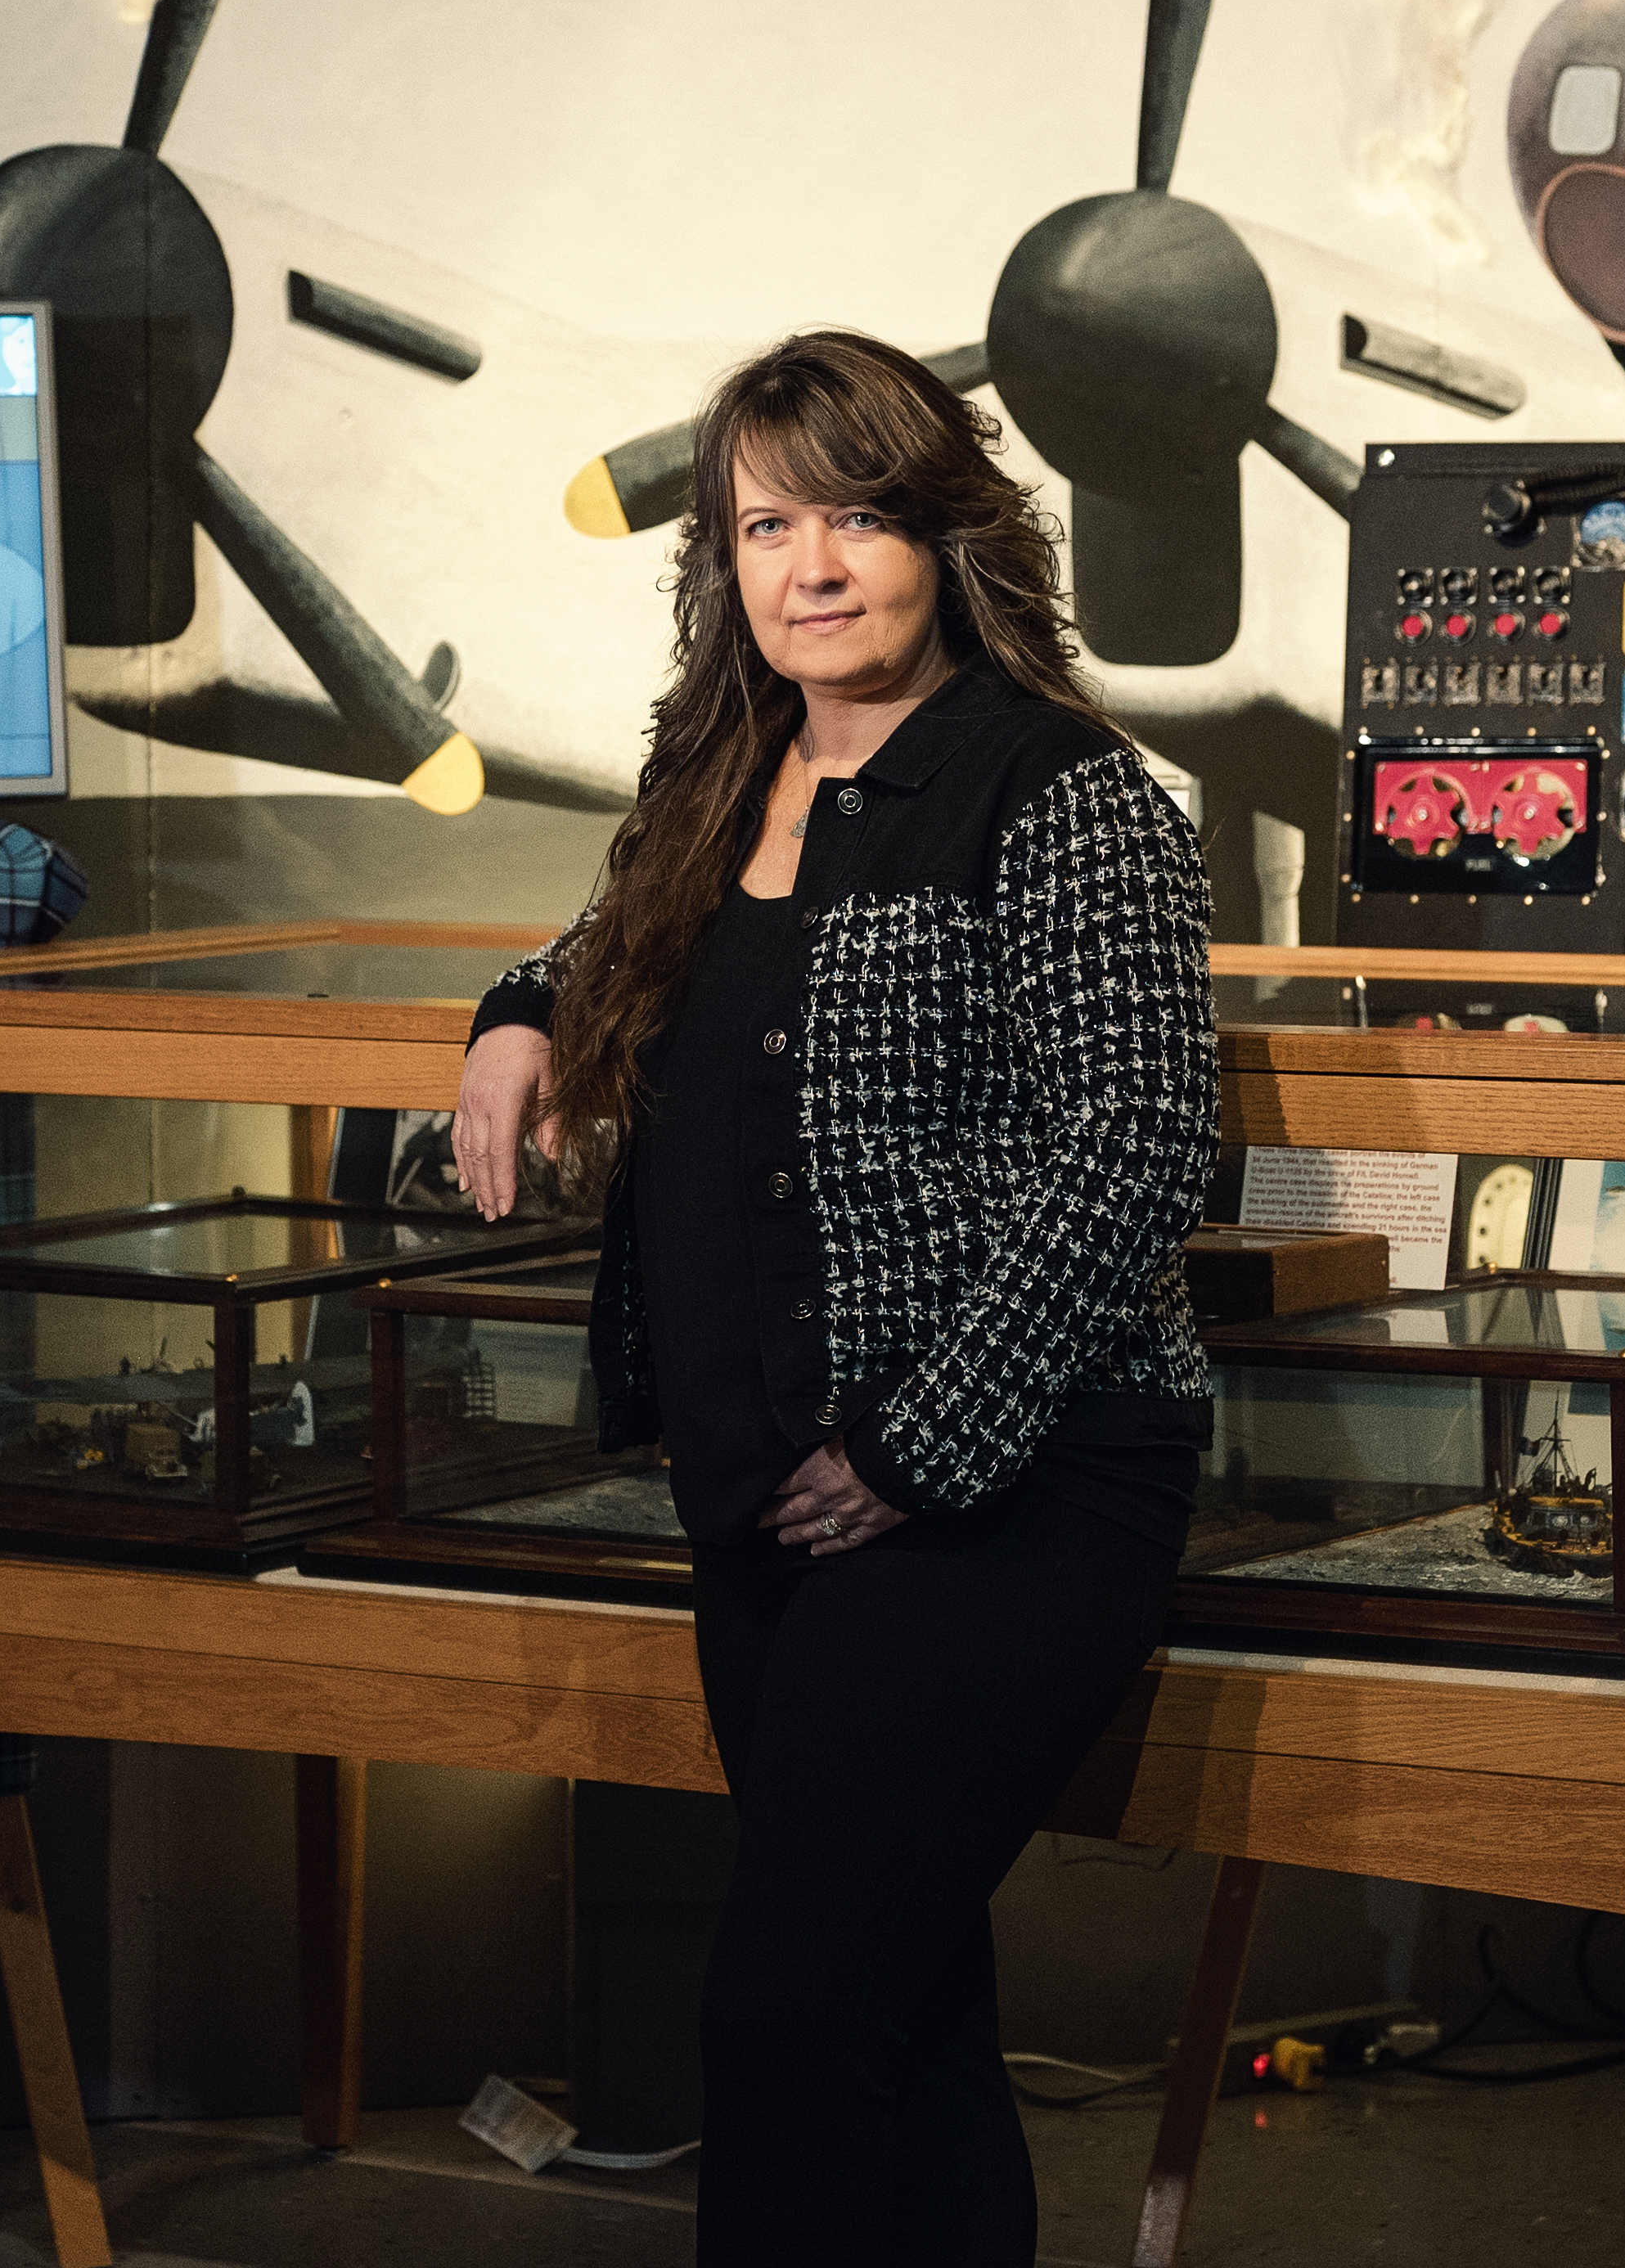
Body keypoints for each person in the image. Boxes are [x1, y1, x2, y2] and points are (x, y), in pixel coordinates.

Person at [449, 329, 1218, 2264]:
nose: (813, 564)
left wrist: (915, 1443)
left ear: (942, 533)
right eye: (767, 522)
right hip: (764, 1494)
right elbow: (609, 935)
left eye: (857, 514)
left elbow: (1131, 1142)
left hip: (1006, 1496)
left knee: (785, 2010)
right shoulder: (728, 775)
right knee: (905, 2011)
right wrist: (515, 1013)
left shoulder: (1066, 792)